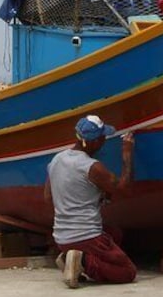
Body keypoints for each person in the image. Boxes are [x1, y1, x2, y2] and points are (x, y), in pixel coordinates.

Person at [43, 114, 136, 288]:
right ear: (92, 142)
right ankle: (83, 261)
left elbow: (48, 197)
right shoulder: (92, 167)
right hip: (86, 237)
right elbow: (126, 189)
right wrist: (127, 153)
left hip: (62, 238)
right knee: (127, 272)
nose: (104, 141)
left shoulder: (56, 160)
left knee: (115, 233)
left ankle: (68, 256)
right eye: (102, 138)